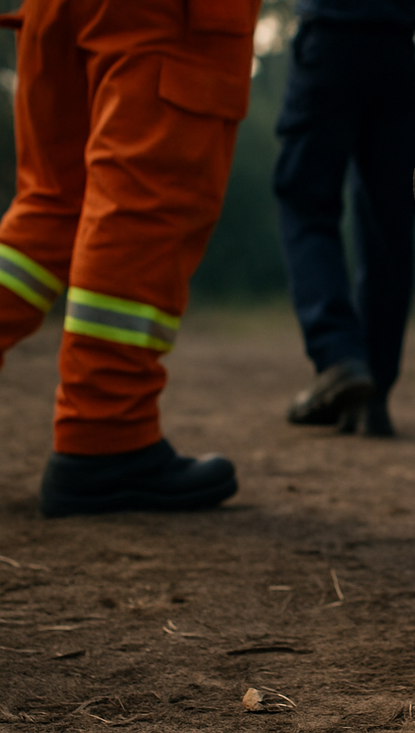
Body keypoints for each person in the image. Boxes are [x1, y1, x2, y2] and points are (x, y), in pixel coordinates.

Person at [0, 0, 261, 516]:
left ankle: (105, 431)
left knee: (52, 209)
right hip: (160, 16)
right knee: (140, 211)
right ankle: (105, 435)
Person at [274, 0, 415, 437]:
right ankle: (373, 392)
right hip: (395, 57)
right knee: (391, 226)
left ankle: (339, 355)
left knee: (306, 204)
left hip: (327, 42)